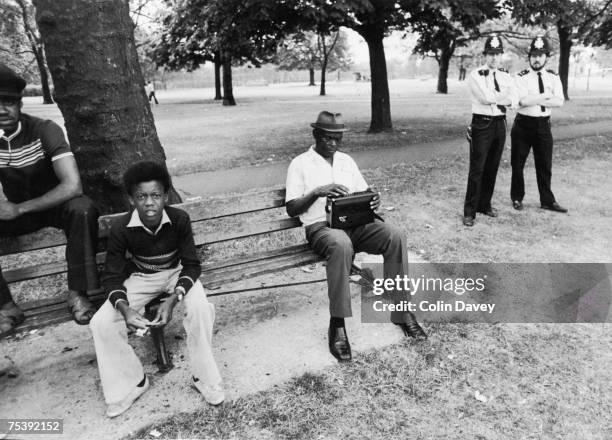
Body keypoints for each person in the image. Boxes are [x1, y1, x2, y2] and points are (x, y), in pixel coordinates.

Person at [285, 111, 427, 363]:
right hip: (322, 229)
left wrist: (373, 199)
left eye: (338, 139)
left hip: (355, 225)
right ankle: (337, 324)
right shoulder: (300, 163)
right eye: (328, 138)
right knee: (341, 243)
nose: (333, 144)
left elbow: (364, 191)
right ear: (316, 134)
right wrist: (318, 192)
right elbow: (292, 208)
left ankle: (401, 310)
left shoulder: (346, 161)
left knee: (395, 235)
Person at [89, 161, 224, 418]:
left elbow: (192, 266)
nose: (149, 202)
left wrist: (174, 298)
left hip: (177, 273)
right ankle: (132, 384)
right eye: (141, 196)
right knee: (101, 322)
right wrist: (126, 309)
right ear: (131, 199)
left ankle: (205, 377)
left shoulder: (179, 219)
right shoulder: (121, 228)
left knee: (199, 308)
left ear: (166, 195)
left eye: (156, 195)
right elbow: (112, 277)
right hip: (143, 276)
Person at [0, 64, 99, 337]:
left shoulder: (45, 130)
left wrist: (18, 208)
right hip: (21, 213)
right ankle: (6, 307)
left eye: (8, 102)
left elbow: (72, 185)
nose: (1, 110)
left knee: (83, 209)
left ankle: (78, 294)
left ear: (20, 103)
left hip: (57, 205)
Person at [462, 35, 517, 227]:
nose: (494, 58)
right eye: (491, 54)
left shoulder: (505, 75)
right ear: (485, 55)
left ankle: (484, 204)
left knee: (492, 167)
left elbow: (514, 99)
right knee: (477, 169)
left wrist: (500, 98)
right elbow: (486, 98)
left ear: (501, 55)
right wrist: (503, 97)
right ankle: (469, 212)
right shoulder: (476, 75)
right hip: (482, 124)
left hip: (500, 124)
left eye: (497, 54)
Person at [510, 36, 567, 213]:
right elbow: (522, 102)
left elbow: (559, 102)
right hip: (523, 126)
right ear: (529, 57)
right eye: (534, 55)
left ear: (546, 57)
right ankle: (517, 198)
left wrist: (533, 99)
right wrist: (544, 97)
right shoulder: (521, 77)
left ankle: (547, 200)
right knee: (517, 164)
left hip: (543, 126)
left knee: (544, 165)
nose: (536, 59)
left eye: (540, 55)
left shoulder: (553, 76)